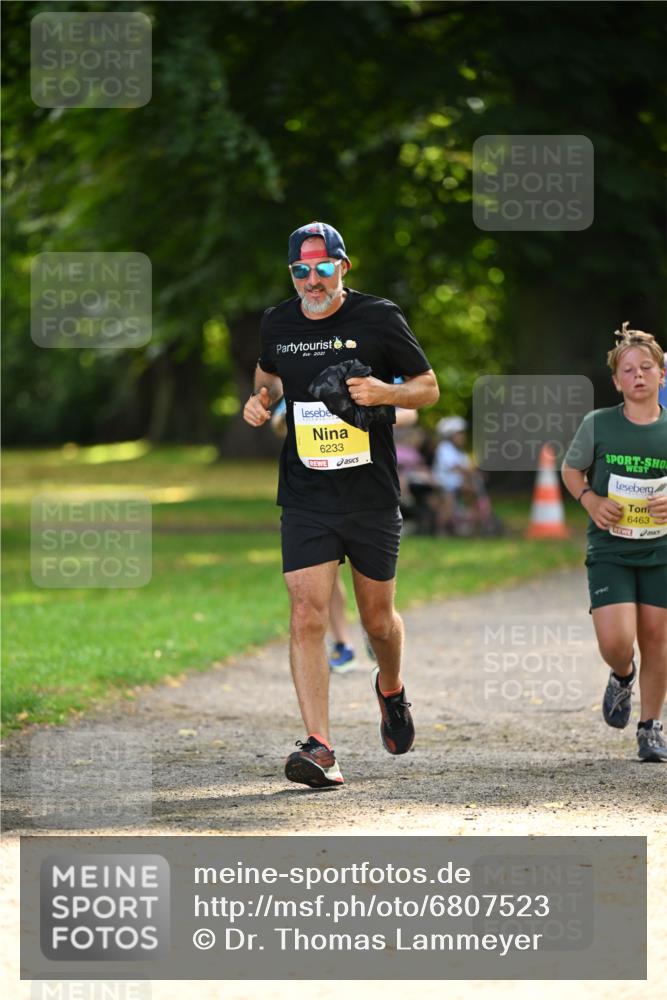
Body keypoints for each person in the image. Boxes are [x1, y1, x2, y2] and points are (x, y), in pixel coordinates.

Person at [243, 221, 439, 788]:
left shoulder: (378, 317)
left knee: (378, 621)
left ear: (343, 267)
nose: (311, 280)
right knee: (306, 612)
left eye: (321, 268)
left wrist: (386, 392)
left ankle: (391, 689)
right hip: (306, 493)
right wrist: (258, 402)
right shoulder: (278, 322)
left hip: (371, 495)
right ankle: (321, 746)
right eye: (300, 271)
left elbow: (428, 387)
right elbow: (269, 376)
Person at [561, 322, 667, 762]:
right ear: (616, 381)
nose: (638, 376)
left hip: (661, 550)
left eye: (647, 367)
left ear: (662, 374)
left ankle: (650, 727)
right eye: (629, 370)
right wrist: (590, 499)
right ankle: (622, 676)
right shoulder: (598, 424)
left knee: (658, 636)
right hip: (611, 549)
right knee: (617, 641)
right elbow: (571, 471)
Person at [272, 397, 357, 673]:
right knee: (328, 573)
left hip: (367, 489)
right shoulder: (305, 365)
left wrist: (368, 414)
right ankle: (344, 643)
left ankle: (376, 627)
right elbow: (278, 421)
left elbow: (409, 413)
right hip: (314, 496)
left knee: (371, 580)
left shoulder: (371, 364)